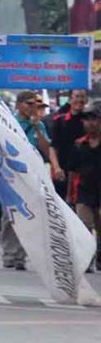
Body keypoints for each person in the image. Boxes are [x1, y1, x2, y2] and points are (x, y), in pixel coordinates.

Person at [2, 91, 55, 270]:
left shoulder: (38, 124)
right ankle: (9, 253)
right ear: (18, 105)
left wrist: (37, 127)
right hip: (12, 173)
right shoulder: (10, 122)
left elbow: (46, 149)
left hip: (32, 175)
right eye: (28, 103)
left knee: (29, 214)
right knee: (11, 215)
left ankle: (20, 256)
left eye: (35, 104)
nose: (32, 107)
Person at [68, 102, 101, 273]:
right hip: (84, 192)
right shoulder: (79, 144)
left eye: (94, 119)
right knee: (84, 226)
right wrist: (69, 196)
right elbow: (73, 171)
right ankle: (87, 260)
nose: (90, 123)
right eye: (87, 119)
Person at [51, 89, 87, 201]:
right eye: (76, 96)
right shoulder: (60, 121)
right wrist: (56, 167)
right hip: (63, 170)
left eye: (82, 97)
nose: (79, 100)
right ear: (70, 100)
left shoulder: (91, 121)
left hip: (84, 172)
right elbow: (53, 146)